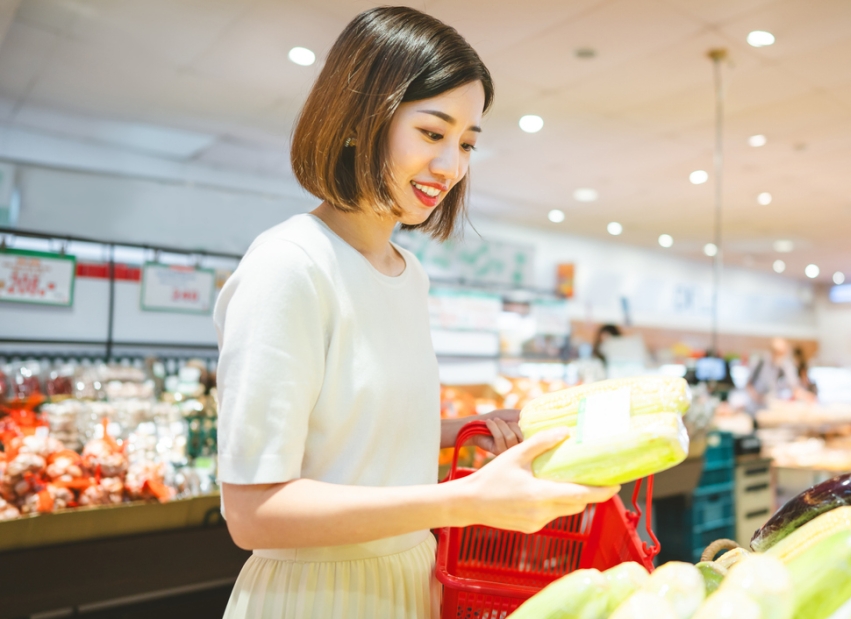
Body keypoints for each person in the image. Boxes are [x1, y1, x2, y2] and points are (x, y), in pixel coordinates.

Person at [214, 8, 617, 617]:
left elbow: (352, 442)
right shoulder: (290, 265)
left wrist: (472, 433)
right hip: (317, 596)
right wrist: (466, 501)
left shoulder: (409, 274)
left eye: (466, 144)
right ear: (357, 119)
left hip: (411, 580)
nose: (452, 167)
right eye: (432, 134)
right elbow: (252, 512)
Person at [745, 338, 803, 413]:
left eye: (783, 353)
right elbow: (748, 384)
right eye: (779, 352)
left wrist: (805, 396)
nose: (781, 356)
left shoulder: (785, 366)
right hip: (754, 408)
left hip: (772, 409)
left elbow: (794, 387)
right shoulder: (759, 363)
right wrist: (756, 397)